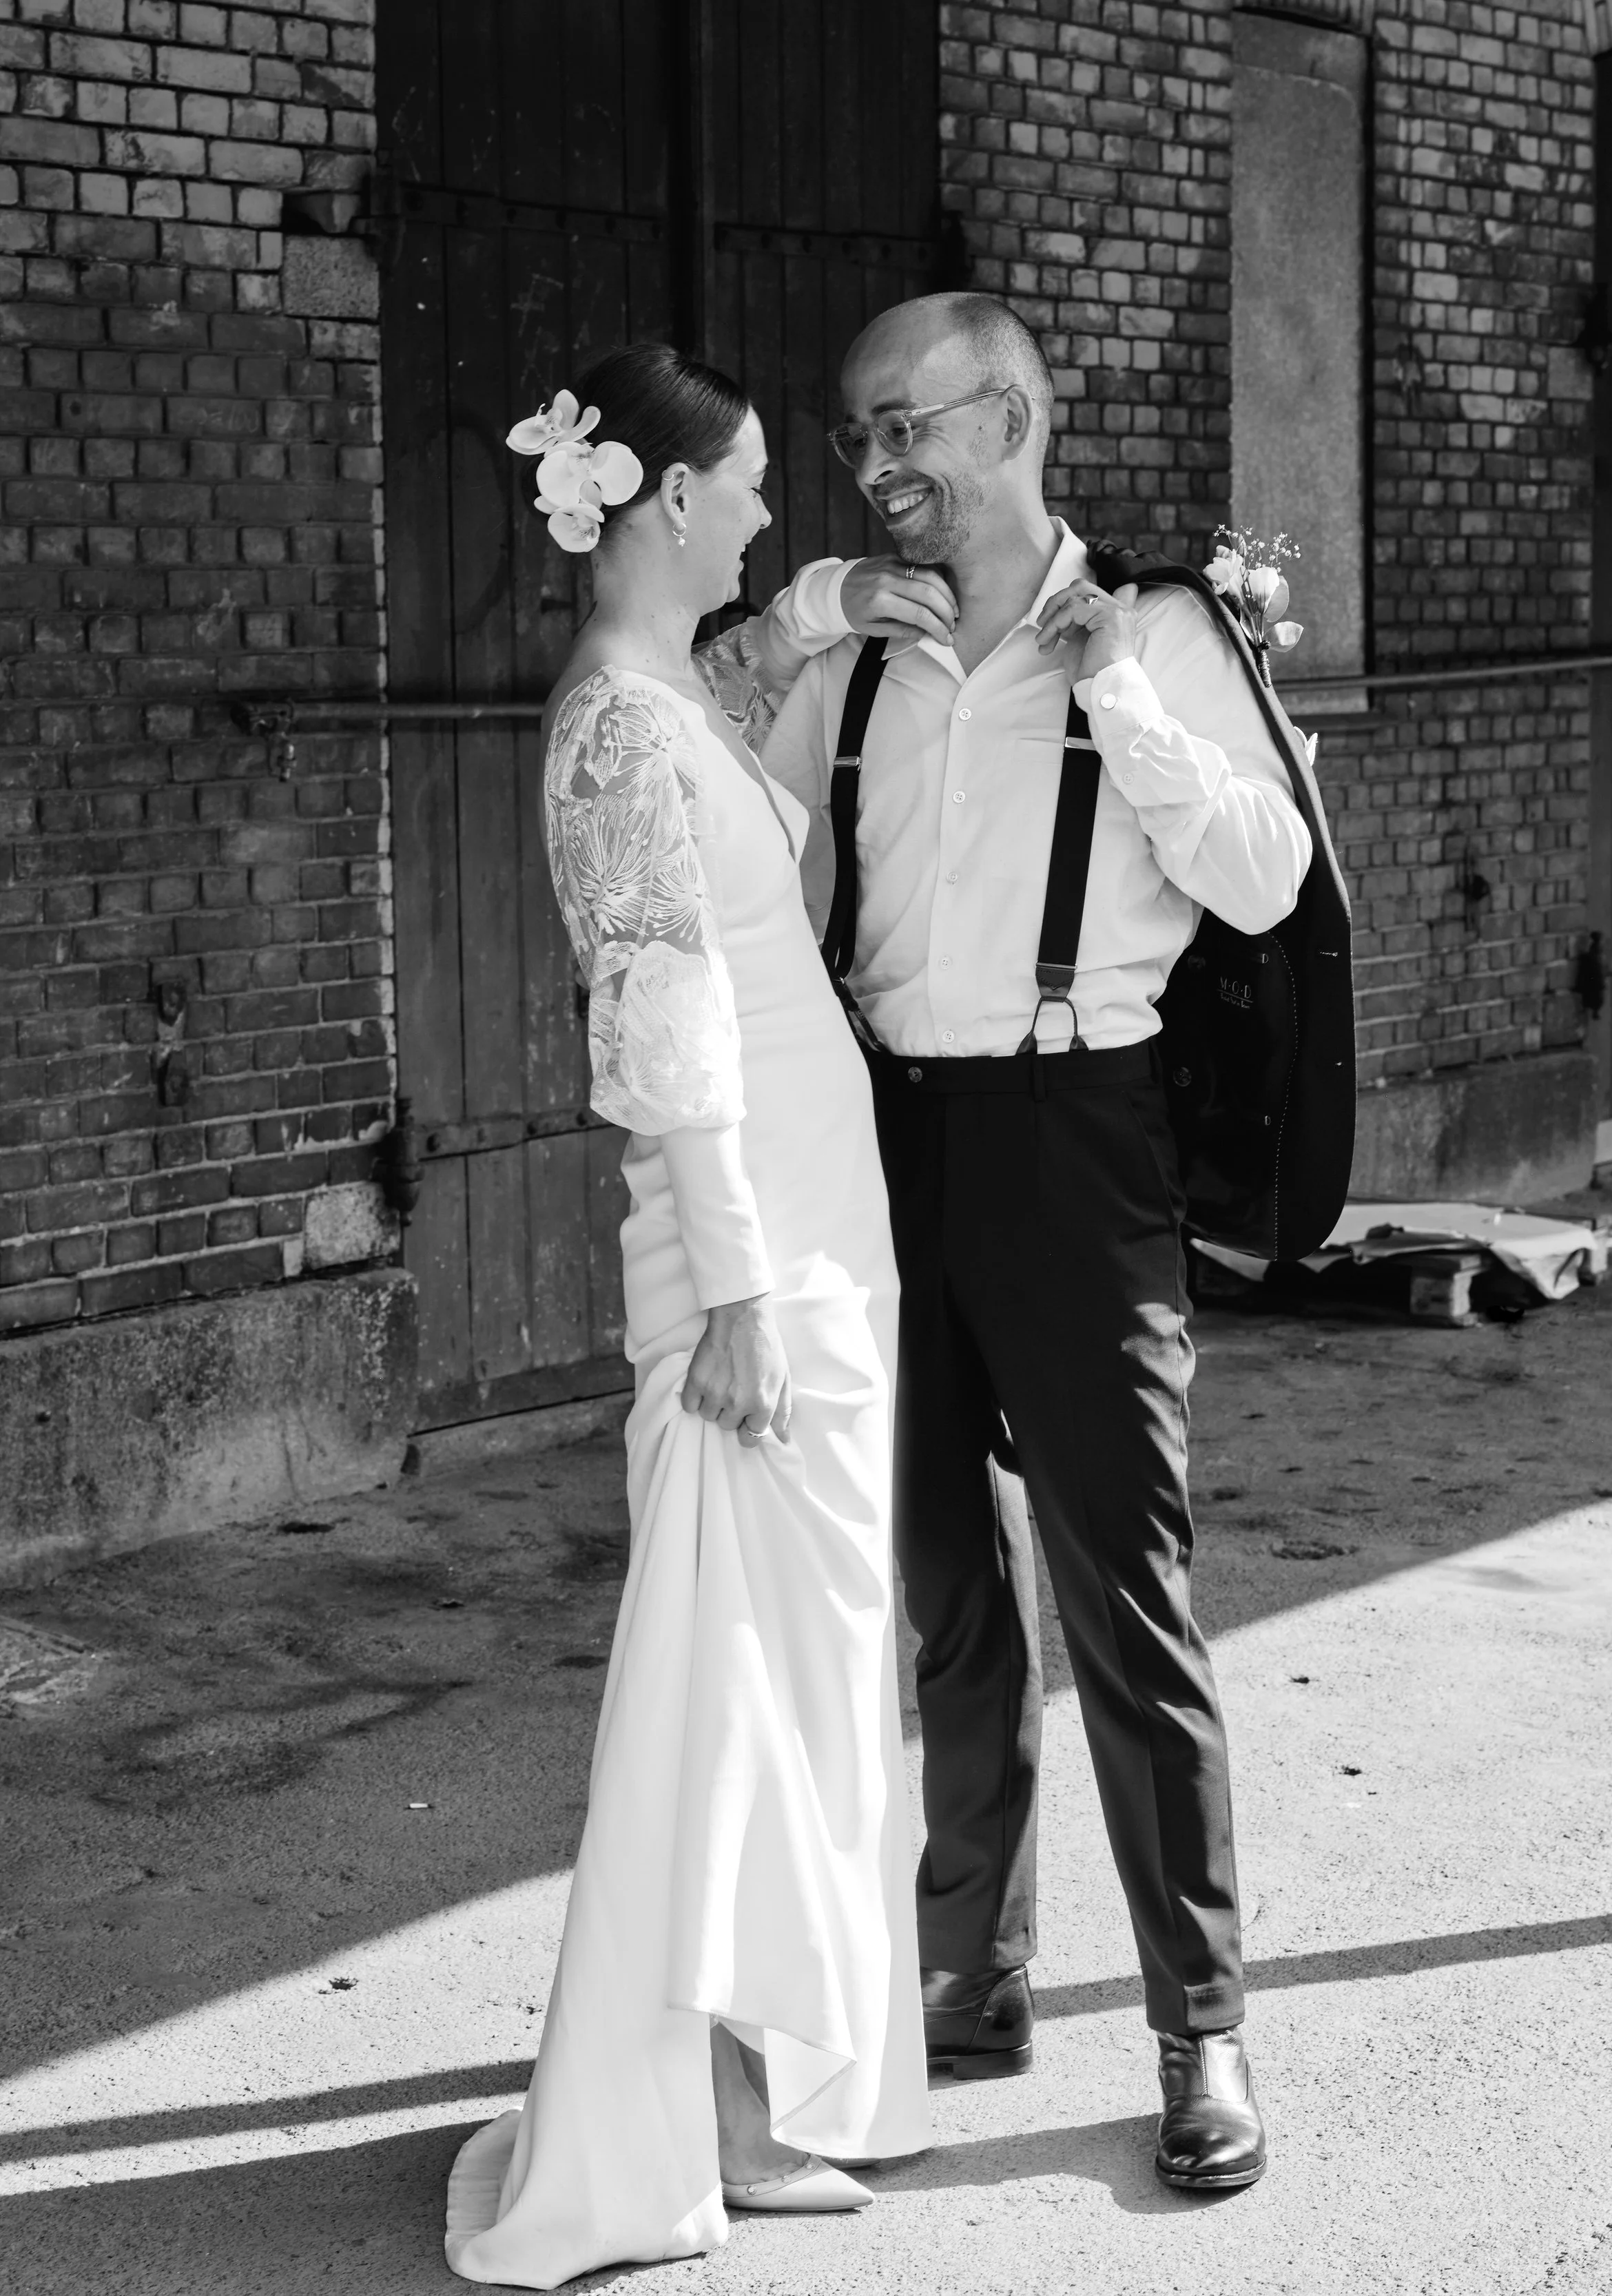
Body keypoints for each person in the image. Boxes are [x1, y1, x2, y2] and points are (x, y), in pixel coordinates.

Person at [756, 292, 1314, 2192]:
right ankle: (969, 1973)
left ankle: (1200, 2027)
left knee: (1126, 1596)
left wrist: (1118, 698)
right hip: (883, 1136)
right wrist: (797, 625)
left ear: (1008, 418)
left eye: (900, 426)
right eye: (855, 437)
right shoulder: (865, 649)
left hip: (1081, 1141)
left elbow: (1264, 876)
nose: (874, 466)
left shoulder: (1165, 630)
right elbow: (735, 829)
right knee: (940, 1585)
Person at [443, 344, 958, 2286]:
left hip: (819, 1230)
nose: (764, 515)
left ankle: (750, 2088)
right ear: (664, 497)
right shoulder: (610, 730)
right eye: (744, 487)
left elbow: (738, 676)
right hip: (753, 1262)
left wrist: (831, 603)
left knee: (800, 1684)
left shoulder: (670, 694)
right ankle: (691, 2117)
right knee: (730, 1688)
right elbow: (661, 1029)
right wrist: (736, 1288)